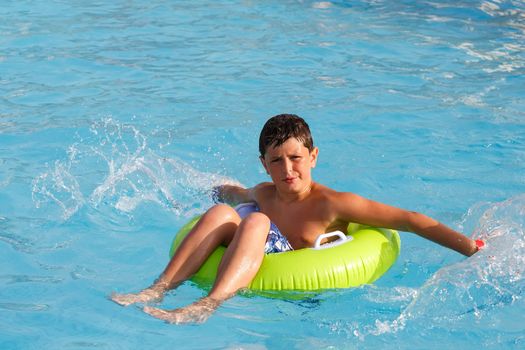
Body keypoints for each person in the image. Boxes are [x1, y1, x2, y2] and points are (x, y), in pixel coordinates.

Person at [111, 114, 484, 324]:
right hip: (258, 254)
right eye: (276, 161)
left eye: (296, 158)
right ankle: (157, 289)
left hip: (304, 296)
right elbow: (235, 195)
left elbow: (410, 219)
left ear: (313, 157)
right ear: (264, 165)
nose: (287, 170)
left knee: (256, 223)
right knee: (225, 213)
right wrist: (207, 189)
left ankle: (207, 306)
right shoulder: (263, 192)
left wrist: (471, 248)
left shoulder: (333, 204)